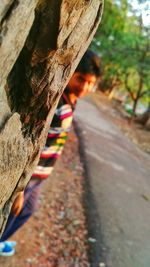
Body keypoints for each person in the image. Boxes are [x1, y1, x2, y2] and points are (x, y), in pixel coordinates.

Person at [0, 50, 100, 256]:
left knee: (27, 210)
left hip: (41, 174)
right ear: (70, 72)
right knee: (12, 213)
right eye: (81, 79)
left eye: (90, 82)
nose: (85, 87)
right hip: (28, 177)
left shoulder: (71, 100)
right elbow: (30, 144)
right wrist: (19, 188)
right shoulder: (55, 103)